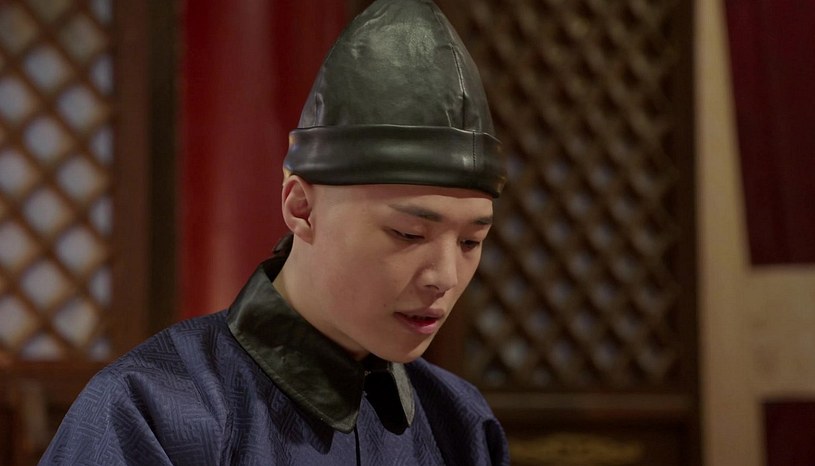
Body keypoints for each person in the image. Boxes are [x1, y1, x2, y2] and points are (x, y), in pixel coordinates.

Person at [40, 0, 509, 464]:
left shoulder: (461, 424)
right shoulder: (151, 410)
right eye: (408, 234)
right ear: (301, 207)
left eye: (470, 242)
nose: (444, 276)